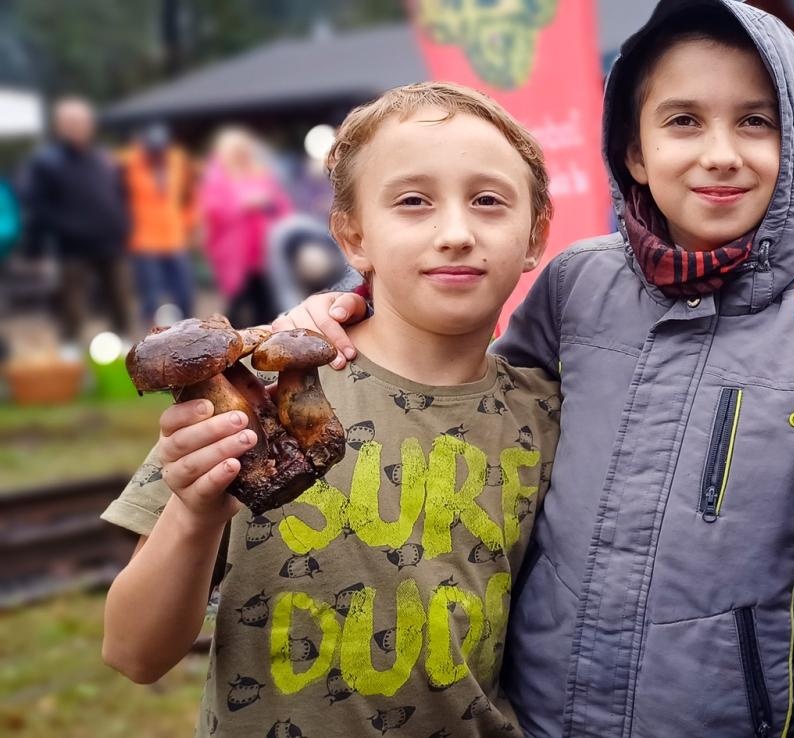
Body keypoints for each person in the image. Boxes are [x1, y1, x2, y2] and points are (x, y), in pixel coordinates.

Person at [278, 2, 794, 735]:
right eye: (683, 120)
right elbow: (473, 400)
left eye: (756, 122)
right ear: (634, 151)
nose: (720, 152)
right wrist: (350, 309)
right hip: (541, 712)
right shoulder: (575, 287)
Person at [101, 82, 562, 736]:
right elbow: (132, 652)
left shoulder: (551, 415)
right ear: (353, 237)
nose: (456, 233)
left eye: (489, 201)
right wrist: (195, 515)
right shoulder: (246, 389)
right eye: (412, 202)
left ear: (536, 235)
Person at [21, 97, 133, 341]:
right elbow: (37, 206)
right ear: (59, 126)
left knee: (120, 300)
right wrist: (36, 249)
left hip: (111, 242)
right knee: (72, 306)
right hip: (72, 248)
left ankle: (127, 352)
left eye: (82, 121)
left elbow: (120, 193)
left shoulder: (103, 158)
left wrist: (124, 225)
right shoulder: (47, 162)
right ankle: (70, 354)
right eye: (70, 121)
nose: (77, 126)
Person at [198, 127, 290, 329]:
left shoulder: (259, 172)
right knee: (238, 302)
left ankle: (266, 343)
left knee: (267, 302)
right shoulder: (217, 177)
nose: (241, 155)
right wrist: (243, 206)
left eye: (243, 150)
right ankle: (228, 344)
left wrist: (268, 204)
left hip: (264, 250)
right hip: (234, 253)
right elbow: (212, 210)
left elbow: (282, 205)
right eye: (235, 151)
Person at [120, 123, 197, 326]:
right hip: (143, 240)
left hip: (174, 237)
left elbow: (190, 196)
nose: (157, 155)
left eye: (161, 150)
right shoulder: (129, 164)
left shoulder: (178, 161)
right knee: (150, 295)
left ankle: (187, 329)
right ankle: (152, 337)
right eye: (152, 151)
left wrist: (188, 223)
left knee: (185, 291)